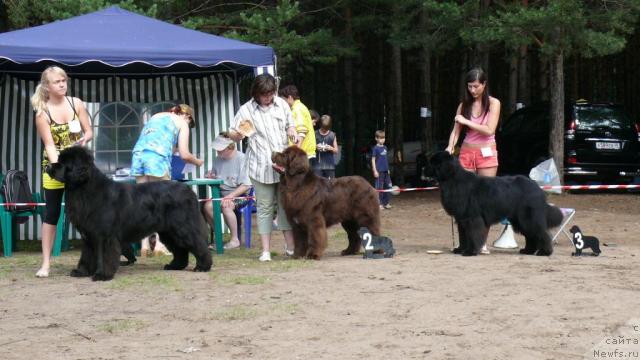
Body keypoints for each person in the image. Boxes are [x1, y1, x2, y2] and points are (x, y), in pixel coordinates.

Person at [228, 74, 297, 262]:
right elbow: (234, 134)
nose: (268, 98)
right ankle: (265, 251)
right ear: (256, 93)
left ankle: (290, 247)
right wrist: (237, 135)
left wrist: (292, 131)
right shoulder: (246, 109)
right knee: (265, 207)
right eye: (264, 95)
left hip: (283, 167)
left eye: (270, 94)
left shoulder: (282, 104)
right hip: (260, 166)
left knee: (285, 206)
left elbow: (291, 125)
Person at [32, 66, 93, 278]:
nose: (62, 84)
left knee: (89, 212)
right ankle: (46, 263)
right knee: (51, 215)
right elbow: (49, 146)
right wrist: (62, 170)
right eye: (57, 82)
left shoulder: (76, 103)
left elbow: (89, 130)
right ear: (47, 87)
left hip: (79, 170)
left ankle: (95, 257)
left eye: (64, 80)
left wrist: (86, 138)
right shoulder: (42, 113)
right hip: (57, 169)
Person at [131, 104, 204, 255]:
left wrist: (173, 149)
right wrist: (197, 161)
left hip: (138, 155)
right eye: (190, 122)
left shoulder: (156, 116)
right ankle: (159, 245)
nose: (189, 125)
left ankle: (144, 245)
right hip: (157, 159)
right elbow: (184, 155)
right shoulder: (182, 123)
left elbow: (154, 140)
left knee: (143, 203)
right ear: (187, 117)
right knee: (162, 204)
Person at [445, 67, 502, 254]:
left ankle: (481, 242)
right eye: (469, 86)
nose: (472, 90)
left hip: (487, 153)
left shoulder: (494, 103)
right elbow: (456, 131)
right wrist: (450, 146)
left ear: (484, 85)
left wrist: (466, 121)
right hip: (467, 153)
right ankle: (466, 242)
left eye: (476, 86)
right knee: (463, 199)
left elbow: (489, 129)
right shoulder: (464, 105)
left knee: (485, 199)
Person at [202, 133, 252, 249]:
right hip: (222, 194)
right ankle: (219, 237)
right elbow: (216, 180)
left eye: (221, 149)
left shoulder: (242, 159)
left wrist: (230, 196)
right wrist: (211, 177)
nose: (218, 152)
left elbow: (246, 185)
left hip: (241, 195)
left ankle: (235, 240)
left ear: (231, 147)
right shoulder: (217, 160)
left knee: (226, 206)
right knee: (207, 207)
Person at [278, 85, 316, 160]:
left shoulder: (297, 109)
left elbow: (301, 132)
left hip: (302, 155)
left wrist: (295, 154)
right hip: (304, 153)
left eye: (283, 100)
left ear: (290, 97)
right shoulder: (300, 107)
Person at [371, 130, 392, 210]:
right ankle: (379, 204)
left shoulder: (385, 147)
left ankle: (386, 203)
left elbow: (385, 159)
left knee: (389, 186)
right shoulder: (375, 148)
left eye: (384, 138)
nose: (383, 140)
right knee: (379, 187)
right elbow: (373, 160)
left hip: (386, 171)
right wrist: (375, 170)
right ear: (376, 138)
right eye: (381, 138)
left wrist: (388, 169)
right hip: (379, 171)